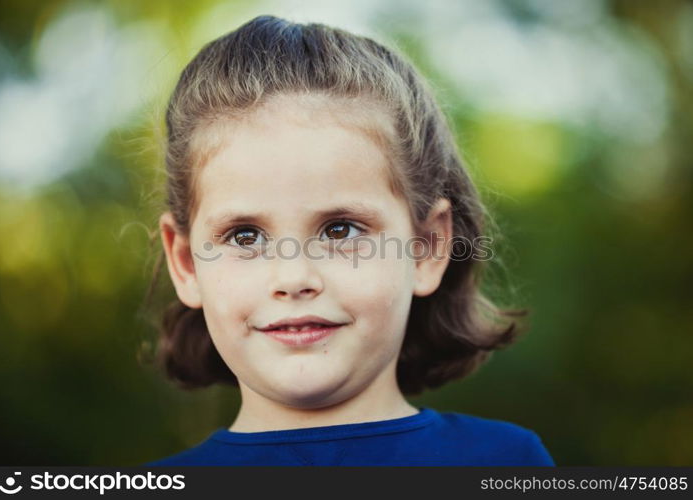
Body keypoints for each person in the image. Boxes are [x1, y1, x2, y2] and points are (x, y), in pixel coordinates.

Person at [143, 14, 554, 466]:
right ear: (186, 263)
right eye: (245, 235)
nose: (295, 277)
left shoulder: (507, 462)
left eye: (340, 230)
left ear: (428, 247)